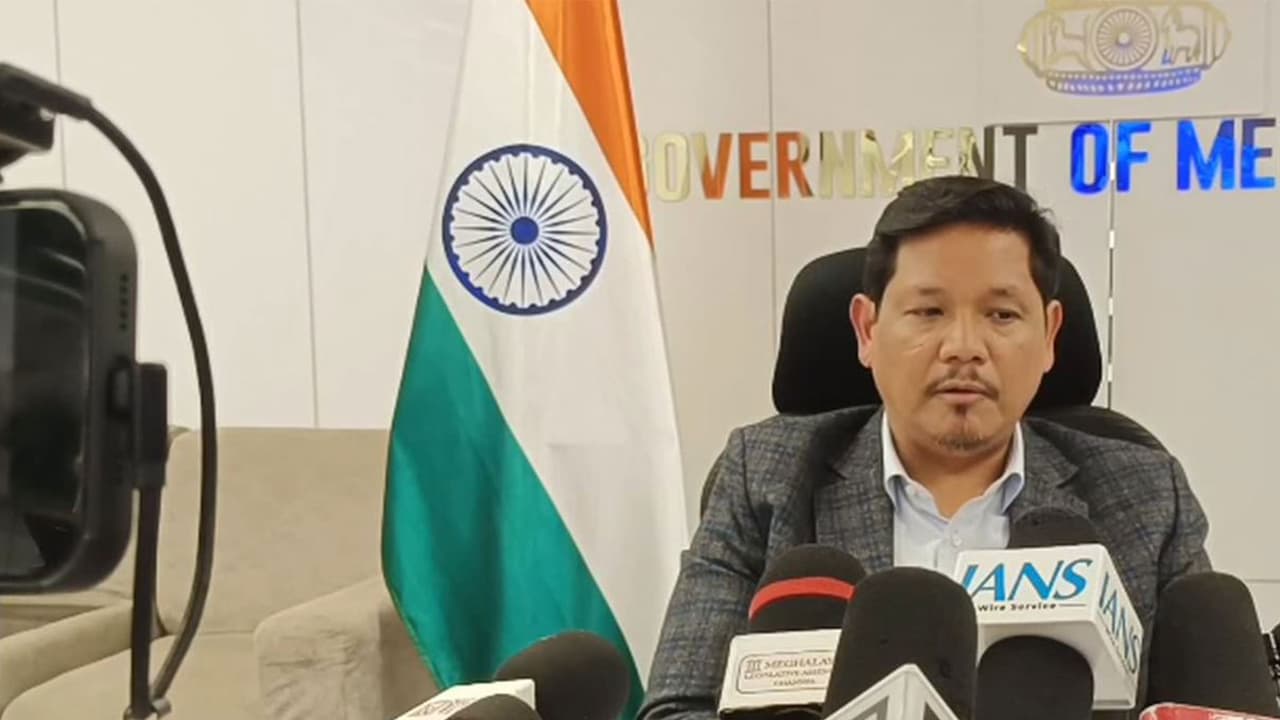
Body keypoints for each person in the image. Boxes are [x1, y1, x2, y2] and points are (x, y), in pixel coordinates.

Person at [639, 176, 1210, 720]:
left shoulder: (1145, 498)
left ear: (1049, 337)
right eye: (929, 312)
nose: (963, 347)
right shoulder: (765, 478)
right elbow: (678, 706)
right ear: (867, 330)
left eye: (1002, 315)